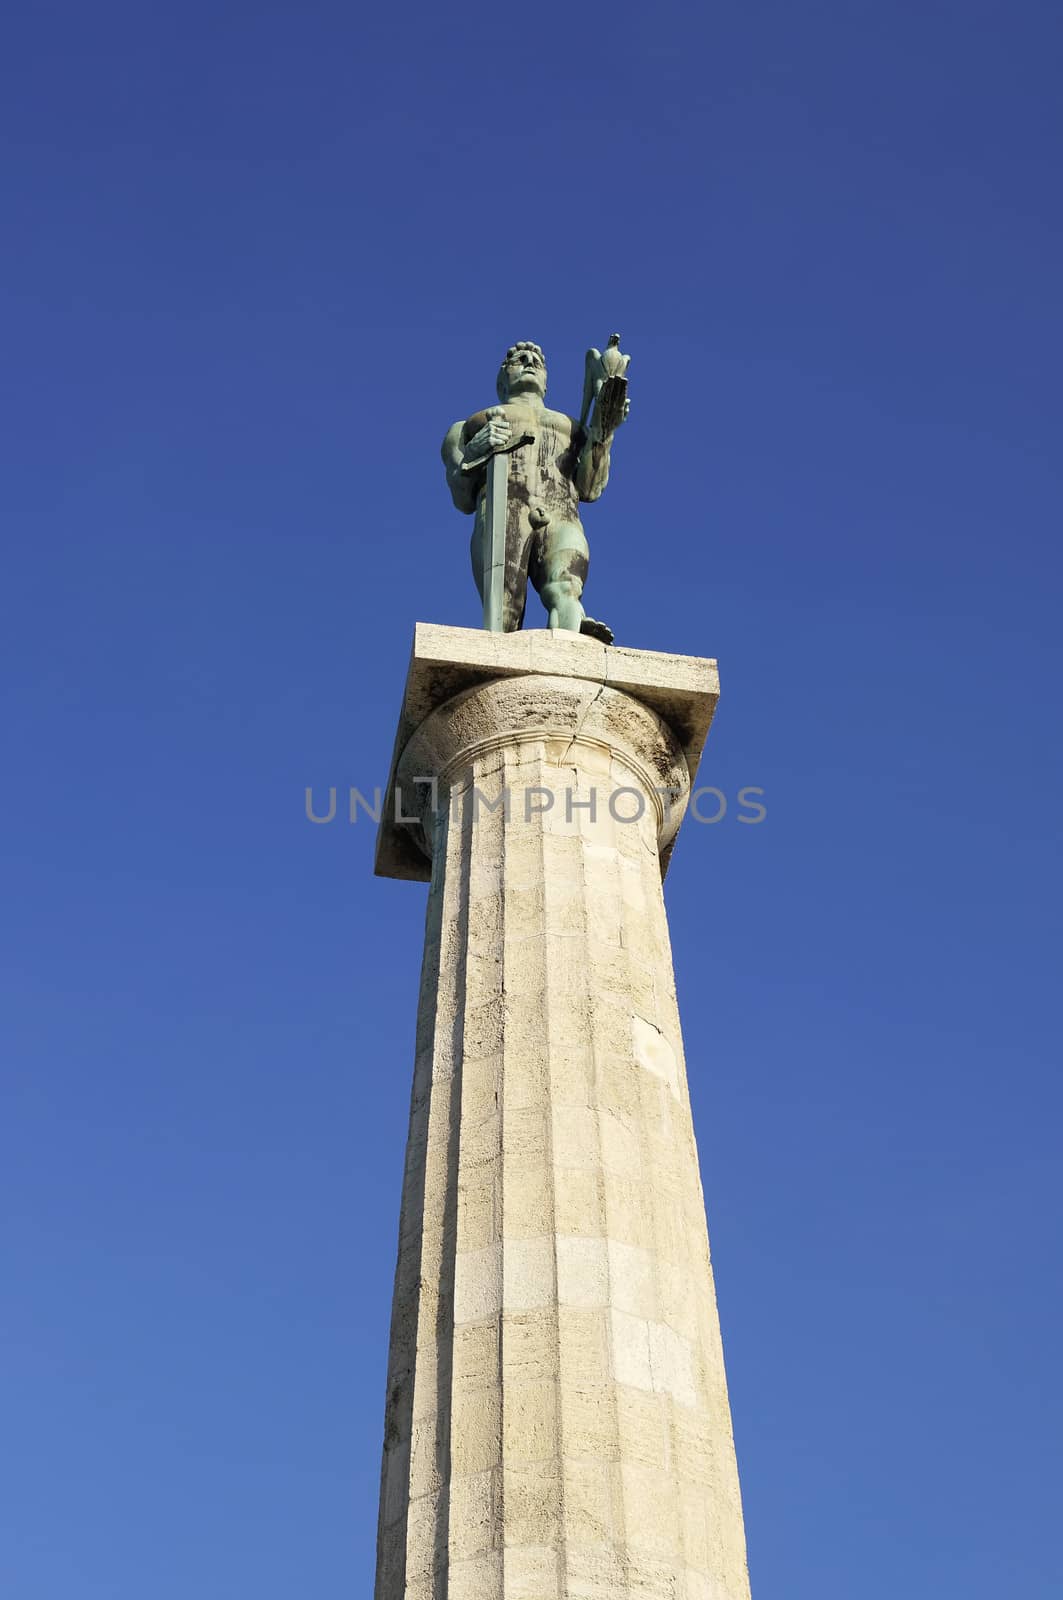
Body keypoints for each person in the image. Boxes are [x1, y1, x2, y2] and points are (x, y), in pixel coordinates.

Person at [441, 341, 627, 642]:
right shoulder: (468, 427)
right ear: (502, 379)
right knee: (503, 612)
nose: (529, 360)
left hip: (561, 513)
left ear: (546, 382)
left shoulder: (573, 428)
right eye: (517, 359)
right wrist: (475, 451)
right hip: (503, 509)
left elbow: (590, 488)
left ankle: (571, 636)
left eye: (537, 361)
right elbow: (462, 498)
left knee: (565, 586)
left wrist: (604, 433)